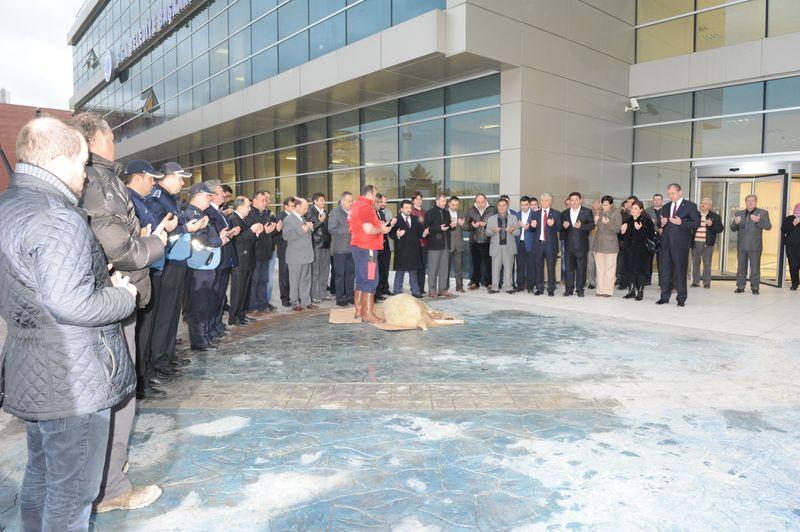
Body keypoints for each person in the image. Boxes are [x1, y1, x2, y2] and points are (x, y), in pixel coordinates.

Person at [0, 118, 138, 531]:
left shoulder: (9, 206)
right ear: (60, 160)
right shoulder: (57, 217)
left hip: (35, 366)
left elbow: (35, 286)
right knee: (72, 493)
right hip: (72, 377)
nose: (85, 174)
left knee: (41, 476)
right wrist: (120, 294)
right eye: (82, 163)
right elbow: (71, 303)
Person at [72, 112, 164, 513]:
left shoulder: (99, 178)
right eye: (111, 134)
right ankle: (109, 487)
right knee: (120, 392)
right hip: (114, 297)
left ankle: (108, 471)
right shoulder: (101, 182)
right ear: (96, 140)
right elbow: (119, 248)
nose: (115, 140)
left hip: (109, 295)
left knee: (114, 390)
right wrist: (154, 243)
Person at [146, 162, 203, 398]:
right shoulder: (157, 198)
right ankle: (158, 363)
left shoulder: (170, 199)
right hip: (166, 263)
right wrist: (185, 228)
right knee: (163, 317)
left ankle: (167, 357)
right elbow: (161, 230)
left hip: (177, 261)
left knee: (171, 317)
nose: (183, 183)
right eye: (180, 178)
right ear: (167, 177)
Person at [125, 161, 178, 401]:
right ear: (139, 177)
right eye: (151, 178)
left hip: (150, 268)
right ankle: (140, 382)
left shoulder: (144, 201)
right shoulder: (130, 200)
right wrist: (159, 230)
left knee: (147, 328)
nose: (153, 183)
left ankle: (144, 378)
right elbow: (132, 237)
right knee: (141, 331)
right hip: (137, 272)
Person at [185, 183, 226, 351]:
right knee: (199, 305)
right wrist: (219, 241)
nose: (210, 199)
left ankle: (206, 335)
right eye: (208, 196)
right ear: (199, 195)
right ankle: (199, 340)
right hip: (198, 266)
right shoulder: (191, 213)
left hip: (206, 264)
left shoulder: (200, 213)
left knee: (207, 302)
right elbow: (199, 240)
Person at [350, 185, 395, 323]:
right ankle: (368, 314)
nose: (377, 198)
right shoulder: (366, 207)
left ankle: (359, 310)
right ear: (370, 194)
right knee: (370, 280)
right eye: (376, 195)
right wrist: (382, 230)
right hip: (367, 247)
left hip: (358, 246)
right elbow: (368, 229)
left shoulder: (355, 205)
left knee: (361, 279)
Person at [204, 180, 239, 340]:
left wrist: (230, 232)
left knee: (219, 295)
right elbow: (212, 236)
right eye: (221, 194)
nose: (224, 196)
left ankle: (217, 325)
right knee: (213, 296)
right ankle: (210, 328)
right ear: (211, 196)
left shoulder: (218, 211)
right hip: (216, 259)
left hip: (224, 257)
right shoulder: (209, 212)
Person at [656, 183, 700, 307]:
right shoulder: (666, 207)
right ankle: (664, 297)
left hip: (680, 245)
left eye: (673, 193)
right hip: (665, 245)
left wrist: (682, 222)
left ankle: (681, 298)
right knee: (665, 271)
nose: (671, 196)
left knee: (680, 272)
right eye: (669, 193)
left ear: (680, 192)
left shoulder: (690, 206)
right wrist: (662, 223)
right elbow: (662, 224)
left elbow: (696, 223)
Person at [227, 196, 260, 325]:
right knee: (238, 290)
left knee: (246, 289)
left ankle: (242, 314)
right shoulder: (233, 219)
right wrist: (251, 231)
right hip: (239, 260)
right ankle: (233, 317)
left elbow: (248, 239)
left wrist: (255, 234)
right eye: (248, 206)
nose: (250, 209)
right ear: (240, 207)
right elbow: (238, 240)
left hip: (248, 259)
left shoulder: (243, 219)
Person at [731, 194, 772, 295]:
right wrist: (735, 223)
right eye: (748, 201)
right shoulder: (739, 213)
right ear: (745, 202)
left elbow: (768, 226)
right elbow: (732, 228)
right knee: (741, 267)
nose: (750, 202)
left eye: (752, 201)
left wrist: (758, 221)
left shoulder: (762, 213)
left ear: (756, 202)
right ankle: (740, 286)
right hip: (741, 246)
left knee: (755, 268)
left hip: (755, 246)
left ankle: (755, 287)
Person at [246, 191, 277, 313]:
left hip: (265, 251)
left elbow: (268, 231)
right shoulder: (249, 214)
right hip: (254, 252)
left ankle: (263, 303)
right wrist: (265, 231)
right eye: (262, 200)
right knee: (254, 280)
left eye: (266, 200)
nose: (265, 202)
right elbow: (252, 233)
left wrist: (274, 229)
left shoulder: (265, 213)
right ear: (254, 201)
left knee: (264, 279)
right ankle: (252, 305)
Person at [283, 197, 316, 311]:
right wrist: (303, 229)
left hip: (306, 254)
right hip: (295, 256)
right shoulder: (288, 219)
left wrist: (310, 228)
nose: (306, 211)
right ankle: (295, 302)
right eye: (304, 208)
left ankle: (306, 301)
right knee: (295, 280)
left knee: (306, 279)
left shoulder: (302, 218)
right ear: (297, 207)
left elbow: (305, 234)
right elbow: (286, 236)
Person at [560, 192, 595, 297]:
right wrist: (563, 227)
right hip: (569, 246)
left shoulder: (587, 211)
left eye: (576, 199)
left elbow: (592, 225)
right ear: (569, 201)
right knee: (569, 270)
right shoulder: (564, 213)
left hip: (581, 246)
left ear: (580, 200)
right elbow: (561, 230)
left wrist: (582, 226)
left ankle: (580, 290)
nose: (574, 202)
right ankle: (568, 289)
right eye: (572, 200)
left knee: (581, 269)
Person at [620, 200, 655, 301]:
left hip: (642, 251)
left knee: (640, 271)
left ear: (641, 210)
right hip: (629, 250)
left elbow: (651, 235)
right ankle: (631, 291)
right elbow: (622, 237)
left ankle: (640, 292)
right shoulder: (628, 220)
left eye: (635, 208)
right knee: (630, 270)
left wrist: (641, 229)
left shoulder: (646, 220)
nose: (632, 210)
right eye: (632, 208)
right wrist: (622, 231)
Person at [391, 199, 426, 298]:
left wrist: (424, 234)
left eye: (410, 208)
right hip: (401, 251)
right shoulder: (396, 219)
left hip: (414, 250)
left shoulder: (415, 219)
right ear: (401, 209)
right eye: (406, 208)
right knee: (400, 272)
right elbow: (390, 233)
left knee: (413, 272)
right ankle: (397, 292)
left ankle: (416, 292)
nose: (408, 210)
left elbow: (420, 233)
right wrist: (396, 234)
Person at [424, 192, 455, 298]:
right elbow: (427, 228)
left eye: (445, 201)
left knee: (444, 268)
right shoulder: (429, 213)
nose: (445, 203)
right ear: (437, 201)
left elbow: (448, 227)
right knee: (433, 269)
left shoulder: (446, 213)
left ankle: (442, 290)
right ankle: (432, 291)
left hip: (446, 244)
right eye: (443, 201)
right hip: (434, 245)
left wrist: (452, 226)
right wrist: (438, 228)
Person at [328, 192, 356, 306]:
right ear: (342, 201)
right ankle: (340, 298)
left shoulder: (352, 212)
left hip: (351, 248)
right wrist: (349, 231)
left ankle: (350, 296)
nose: (350, 203)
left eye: (351, 201)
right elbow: (331, 229)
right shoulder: (335, 213)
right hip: (339, 249)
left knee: (351, 273)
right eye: (348, 201)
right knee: (340, 274)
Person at [486, 198, 518, 294]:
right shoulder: (491, 219)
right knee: (495, 268)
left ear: (507, 206)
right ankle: (495, 287)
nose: (501, 207)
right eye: (499, 205)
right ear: (497, 206)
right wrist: (493, 231)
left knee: (508, 268)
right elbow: (487, 233)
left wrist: (512, 231)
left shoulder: (513, 218)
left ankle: (508, 287)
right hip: (496, 247)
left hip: (509, 246)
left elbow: (518, 232)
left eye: (504, 205)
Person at [531, 193, 561, 296]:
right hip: (538, 244)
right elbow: (532, 229)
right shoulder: (535, 213)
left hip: (551, 245)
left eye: (547, 200)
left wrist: (553, 225)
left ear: (550, 201)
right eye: (542, 200)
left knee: (551, 268)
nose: (544, 202)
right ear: (540, 202)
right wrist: (532, 226)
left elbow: (560, 228)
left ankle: (551, 289)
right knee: (538, 267)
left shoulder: (556, 214)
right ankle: (539, 288)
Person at [690, 197, 723, 289]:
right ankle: (695, 282)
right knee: (696, 263)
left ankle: (706, 283)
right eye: (701, 203)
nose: (702, 205)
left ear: (710, 206)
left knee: (707, 264)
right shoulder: (695, 215)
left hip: (707, 244)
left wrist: (711, 225)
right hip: (695, 243)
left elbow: (720, 229)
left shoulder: (715, 216)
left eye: (705, 203)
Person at [592, 195, 621, 297]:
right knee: (600, 268)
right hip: (598, 244)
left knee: (610, 268)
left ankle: (608, 291)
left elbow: (617, 229)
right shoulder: (599, 213)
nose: (604, 207)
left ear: (611, 204)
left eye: (606, 205)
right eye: (603, 205)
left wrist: (608, 223)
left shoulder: (616, 213)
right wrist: (595, 222)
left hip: (611, 245)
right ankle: (600, 290)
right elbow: (595, 230)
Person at [464, 193, 495, 290]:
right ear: (475, 202)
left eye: (482, 202)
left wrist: (487, 224)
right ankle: (475, 282)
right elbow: (465, 226)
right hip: (474, 241)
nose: (480, 204)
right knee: (475, 263)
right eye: (478, 202)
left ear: (486, 201)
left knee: (488, 263)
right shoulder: (471, 210)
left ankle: (488, 282)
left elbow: (497, 225)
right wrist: (472, 225)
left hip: (488, 240)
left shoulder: (492, 210)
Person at [306, 192, 331, 303]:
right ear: (315, 201)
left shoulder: (325, 212)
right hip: (316, 244)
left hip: (325, 244)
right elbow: (311, 228)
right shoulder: (310, 211)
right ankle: (314, 294)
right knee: (315, 271)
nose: (323, 202)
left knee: (325, 271)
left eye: (324, 200)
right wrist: (320, 221)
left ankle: (323, 292)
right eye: (321, 200)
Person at [275, 197, 295, 307]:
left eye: (294, 205)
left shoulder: (297, 216)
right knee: (284, 274)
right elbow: (278, 235)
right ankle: (285, 298)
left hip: (295, 250)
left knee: (294, 275)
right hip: (284, 250)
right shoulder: (280, 217)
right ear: (286, 206)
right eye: (291, 206)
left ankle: (294, 296)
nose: (293, 208)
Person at [515, 196, 536, 292]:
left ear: (529, 204)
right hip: (519, 243)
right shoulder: (516, 215)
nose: (524, 207)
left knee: (531, 266)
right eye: (522, 205)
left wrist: (530, 227)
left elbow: (537, 230)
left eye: (526, 205)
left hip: (531, 244)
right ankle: (520, 286)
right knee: (520, 265)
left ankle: (530, 287)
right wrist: (518, 227)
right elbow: (512, 229)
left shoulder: (534, 214)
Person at [375, 194, 394, 299]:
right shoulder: (373, 212)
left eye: (385, 202)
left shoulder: (386, 213)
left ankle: (385, 288)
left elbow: (389, 228)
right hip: (377, 245)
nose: (382, 204)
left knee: (385, 268)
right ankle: (378, 292)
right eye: (380, 202)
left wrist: (391, 224)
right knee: (377, 269)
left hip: (386, 243)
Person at [446, 196, 466, 293]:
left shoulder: (461, 213)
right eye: (453, 205)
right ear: (449, 204)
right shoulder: (444, 213)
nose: (455, 207)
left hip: (458, 245)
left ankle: (459, 286)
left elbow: (466, 227)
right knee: (446, 268)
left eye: (457, 205)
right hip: (448, 244)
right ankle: (445, 287)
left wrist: (462, 224)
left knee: (459, 268)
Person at [410, 191, 428, 293]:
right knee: (415, 267)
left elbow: (428, 225)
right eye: (417, 199)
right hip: (415, 243)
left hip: (424, 242)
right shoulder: (411, 212)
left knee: (422, 266)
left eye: (420, 199)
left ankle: (421, 288)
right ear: (413, 201)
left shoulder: (425, 212)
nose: (419, 201)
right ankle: (415, 288)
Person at [646, 193, 664, 286]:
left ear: (662, 201)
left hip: (662, 239)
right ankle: (647, 280)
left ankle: (661, 281)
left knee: (661, 261)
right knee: (648, 260)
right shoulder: (647, 211)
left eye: (658, 199)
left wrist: (663, 229)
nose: (656, 201)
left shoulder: (666, 210)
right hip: (651, 238)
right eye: (655, 199)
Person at [782, 203, 800, 291]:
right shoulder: (789, 218)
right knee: (793, 266)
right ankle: (794, 284)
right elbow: (783, 229)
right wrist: (793, 223)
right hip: (791, 247)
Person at [586, 199, 601, 290]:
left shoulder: (605, 214)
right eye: (594, 204)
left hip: (601, 243)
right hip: (590, 241)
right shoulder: (588, 214)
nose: (596, 206)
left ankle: (600, 282)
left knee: (600, 265)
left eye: (597, 204)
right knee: (590, 264)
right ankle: (591, 282)